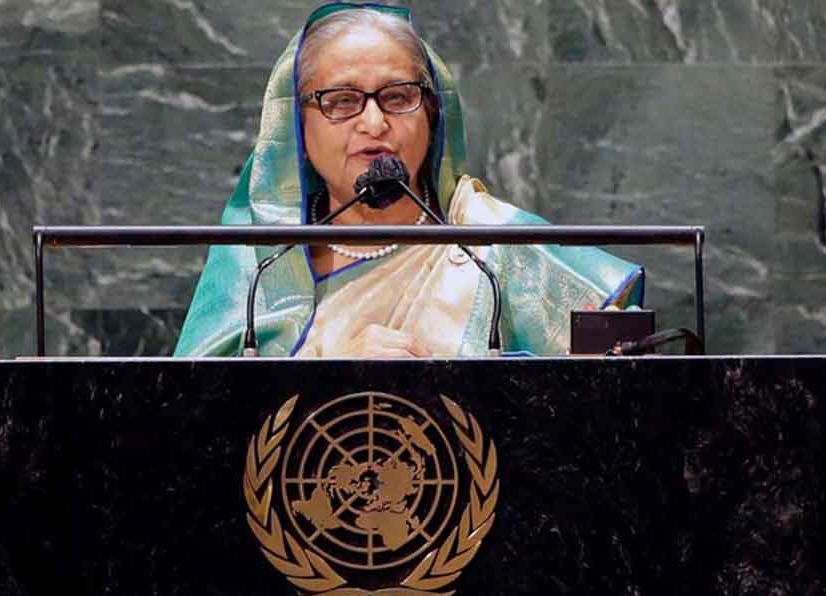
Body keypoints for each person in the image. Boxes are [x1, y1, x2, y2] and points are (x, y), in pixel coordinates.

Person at [174, 3, 644, 358]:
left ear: (433, 115)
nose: (374, 123)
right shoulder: (257, 263)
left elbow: (622, 392)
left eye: (399, 97)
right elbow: (191, 422)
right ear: (298, 126)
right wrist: (330, 367)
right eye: (341, 101)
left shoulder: (491, 244)